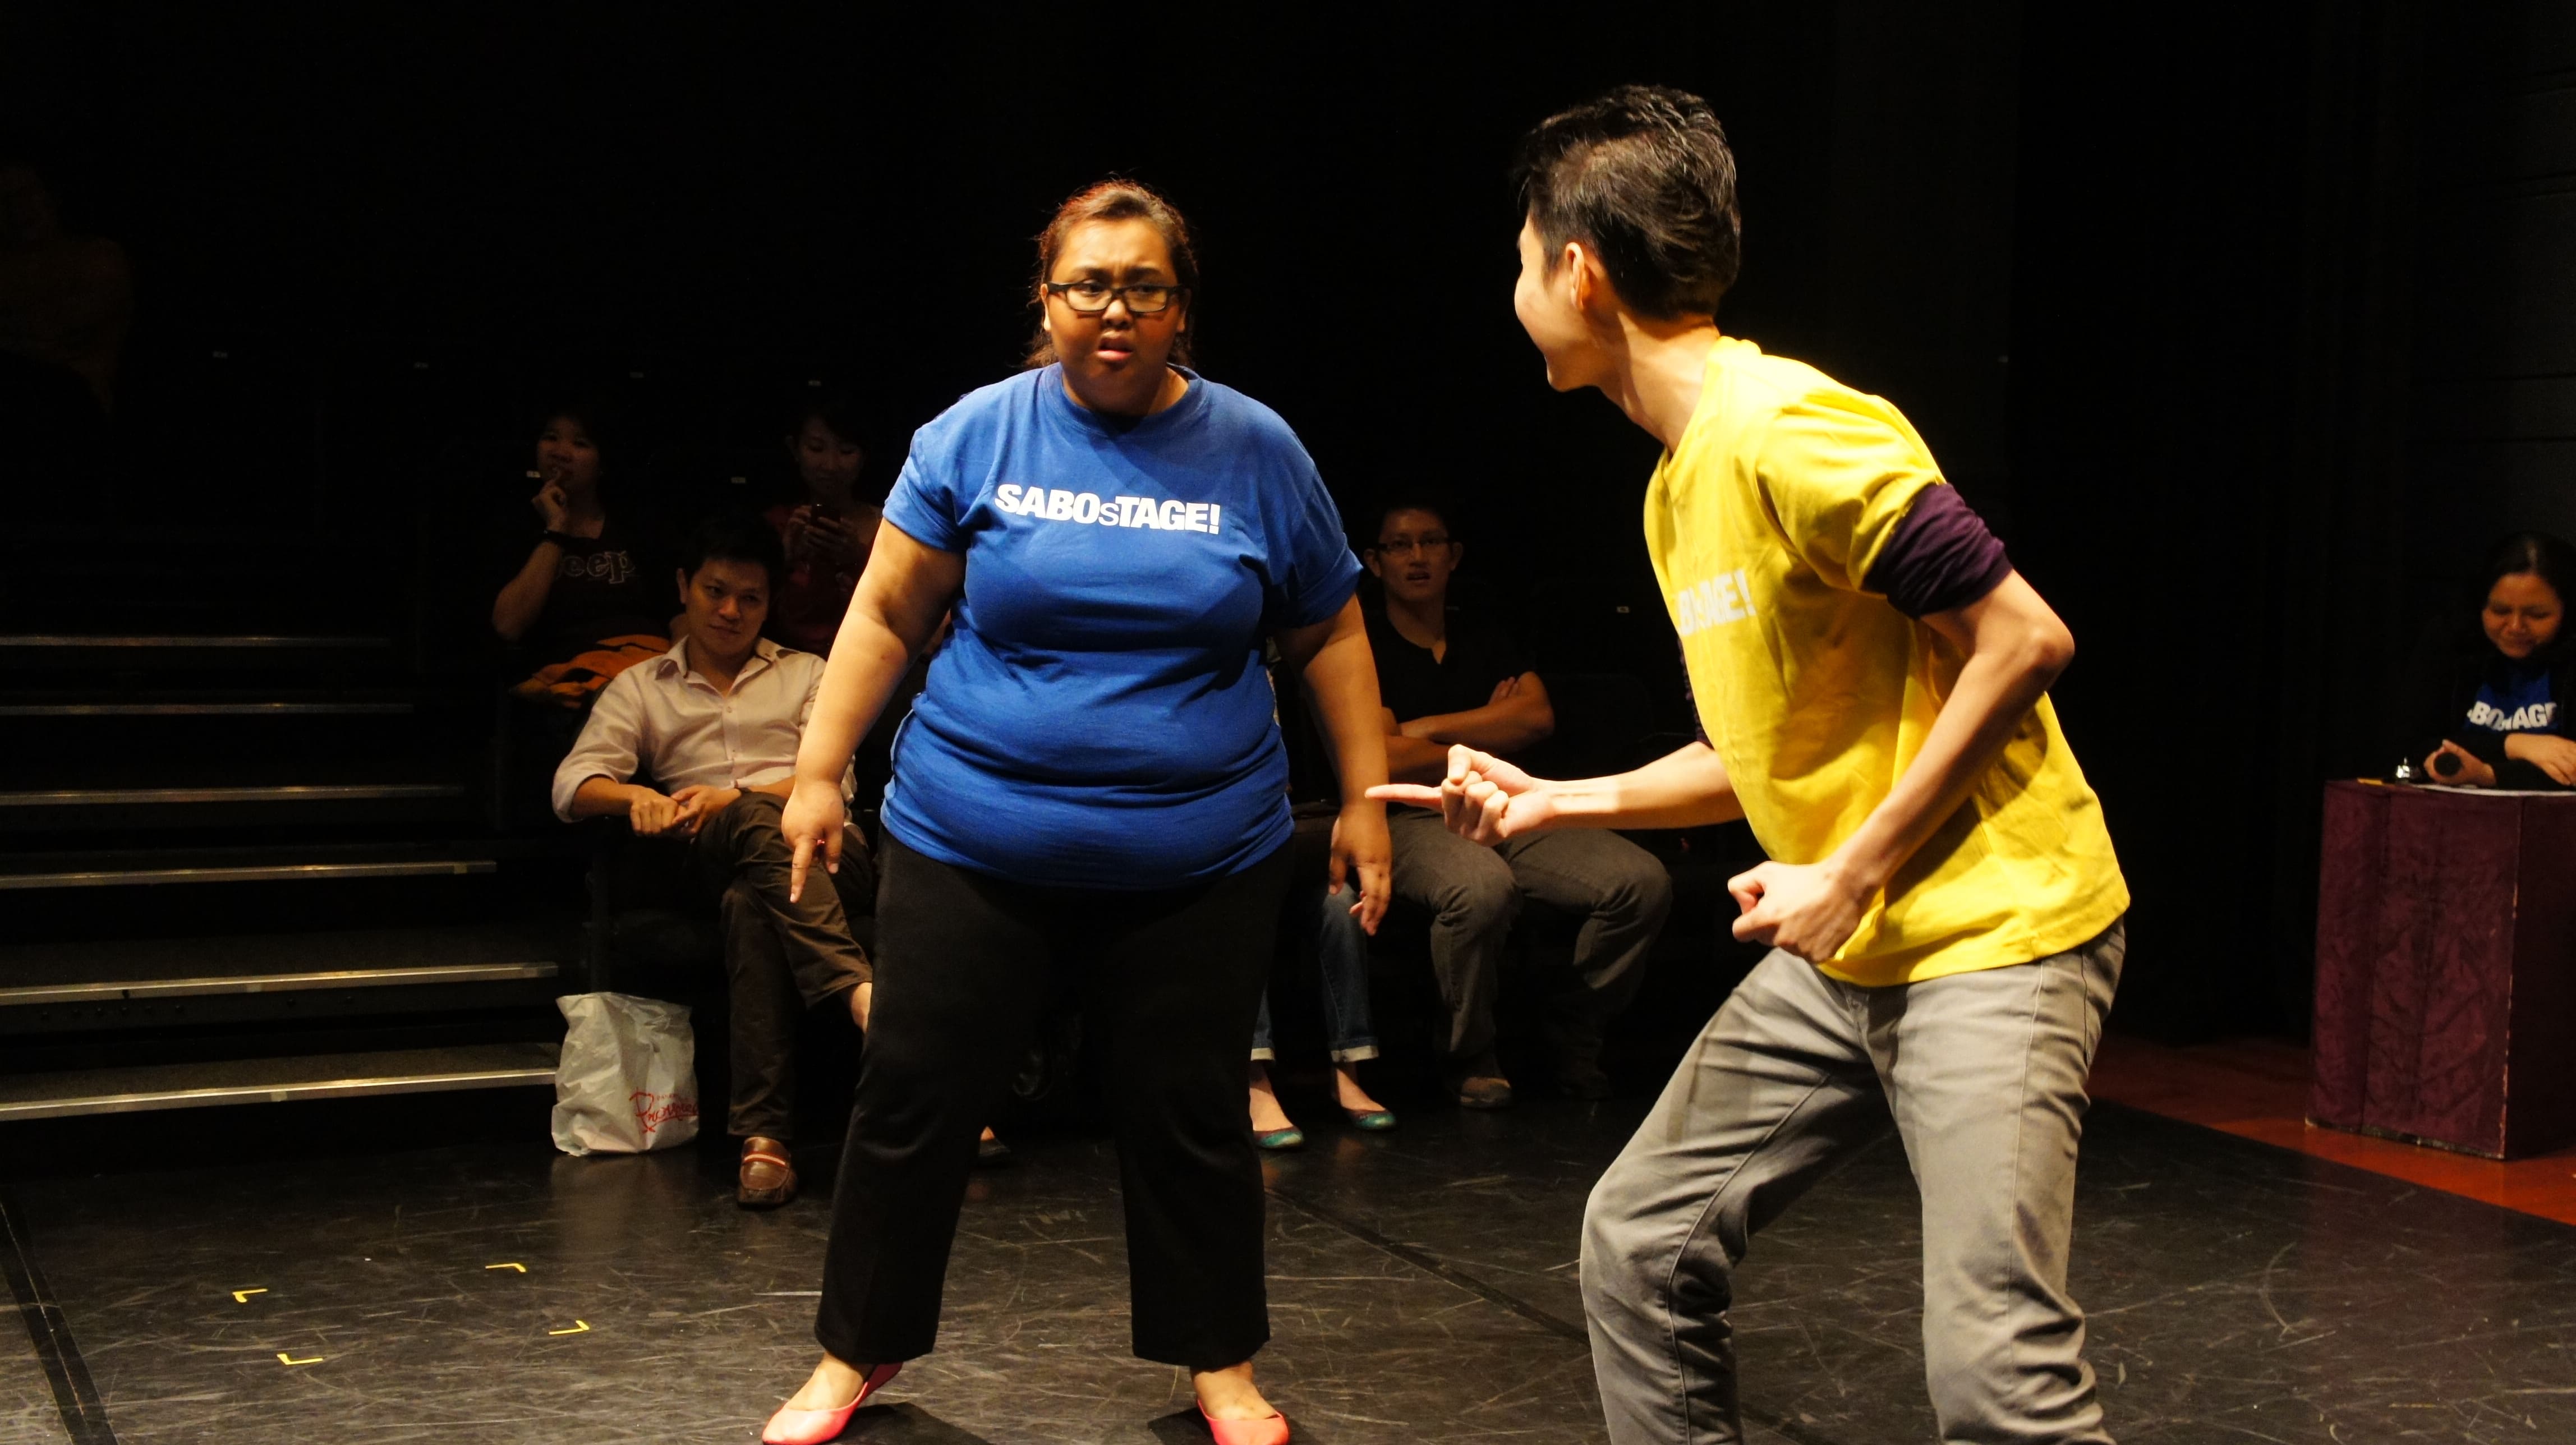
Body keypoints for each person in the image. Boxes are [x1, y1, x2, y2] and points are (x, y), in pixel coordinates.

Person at [1376, 87, 2130, 1444]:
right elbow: (1758, 748)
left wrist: (1846, 872)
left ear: (1576, 270)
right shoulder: (1678, 484)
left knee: (1997, 1382)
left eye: (1518, 259)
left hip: (1995, 936)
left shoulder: (1794, 429)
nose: (1516, 290)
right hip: (1851, 948)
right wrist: (1564, 799)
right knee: (1640, 1243)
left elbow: (2023, 639)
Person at [758, 180, 1391, 1445]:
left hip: (1198, 854)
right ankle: (855, 1353)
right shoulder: (975, 435)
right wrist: (820, 770)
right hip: (970, 836)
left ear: (1180, 309)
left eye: (1143, 287)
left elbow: (1327, 626)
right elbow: (886, 613)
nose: (1114, 310)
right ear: (1044, 300)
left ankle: (1219, 1364)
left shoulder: (1256, 448)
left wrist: (1365, 801)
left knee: (1190, 1114)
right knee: (913, 1096)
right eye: (1087, 285)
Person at [552, 513, 872, 1209]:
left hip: (826, 851)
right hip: (702, 857)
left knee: (750, 892)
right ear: (683, 587)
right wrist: (633, 794)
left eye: (750, 598)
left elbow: (836, 779)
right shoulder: (643, 685)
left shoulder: (807, 673)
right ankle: (856, 991)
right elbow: (572, 786)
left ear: (770, 603)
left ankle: (765, 1140)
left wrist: (735, 798)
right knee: (746, 853)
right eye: (715, 591)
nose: (731, 611)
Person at [1363, 495, 1670, 1108]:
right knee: (1479, 889)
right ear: (1375, 562)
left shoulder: (1483, 632)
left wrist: (1423, 729)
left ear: (1453, 555)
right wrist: (1486, 724)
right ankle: (1468, 1054)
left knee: (1639, 881)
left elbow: (1534, 718)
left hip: (1508, 803)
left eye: (1430, 541)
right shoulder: (1364, 642)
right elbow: (1383, 757)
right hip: (1412, 812)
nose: (1417, 556)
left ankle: (1571, 1032)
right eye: (1400, 545)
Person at [490, 403, 670, 683]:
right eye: (551, 437)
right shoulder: (517, 526)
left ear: (602, 460)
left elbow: (678, 610)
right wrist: (556, 531)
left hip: (647, 670)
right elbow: (509, 626)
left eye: (580, 443)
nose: (561, 453)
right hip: (571, 679)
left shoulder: (636, 525)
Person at [2406, 531, 2576, 789]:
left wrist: (2488, 774)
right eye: (2500, 611)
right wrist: (2516, 745)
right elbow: (2415, 748)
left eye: (2537, 615)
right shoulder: (2450, 640)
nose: (2516, 626)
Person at [1246, 876, 1396, 1149]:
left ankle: (1348, 1068)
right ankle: (1253, 1080)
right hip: (1237, 873)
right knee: (1240, 906)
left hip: (1293, 868)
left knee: (1340, 901)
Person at [762, 390, 883, 657]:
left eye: (846, 451)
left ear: (863, 456)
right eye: (817, 448)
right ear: (795, 449)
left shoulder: (887, 526)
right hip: (784, 664)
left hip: (867, 660)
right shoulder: (776, 525)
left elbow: (904, 609)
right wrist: (784, 558)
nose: (830, 465)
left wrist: (858, 560)